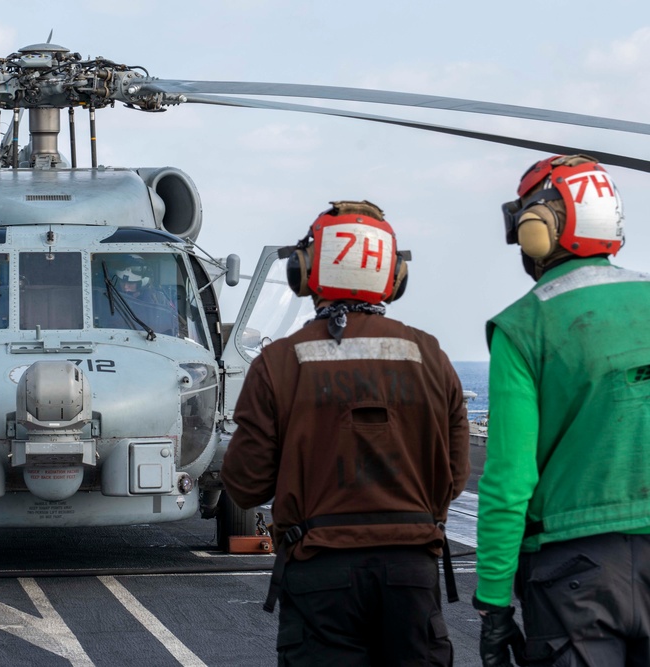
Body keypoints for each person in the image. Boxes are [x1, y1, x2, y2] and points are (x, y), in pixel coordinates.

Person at [221, 200, 470, 666]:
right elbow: (455, 478)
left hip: (321, 577)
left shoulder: (278, 362)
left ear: (305, 271)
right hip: (411, 575)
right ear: (393, 276)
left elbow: (245, 484)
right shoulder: (430, 356)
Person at [475, 154, 650, 666]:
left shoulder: (524, 325)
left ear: (540, 226)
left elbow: (509, 480)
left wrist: (492, 601)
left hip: (574, 577)